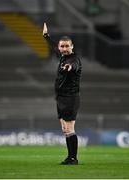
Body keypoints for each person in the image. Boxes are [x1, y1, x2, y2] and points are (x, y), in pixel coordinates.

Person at [43, 23, 82, 165]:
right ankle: (70, 157)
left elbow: (74, 65)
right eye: (62, 46)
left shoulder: (73, 59)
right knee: (65, 129)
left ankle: (73, 158)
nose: (64, 49)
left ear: (72, 47)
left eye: (67, 46)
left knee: (70, 128)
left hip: (70, 98)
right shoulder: (61, 55)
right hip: (60, 98)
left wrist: (69, 68)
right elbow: (53, 46)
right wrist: (46, 36)